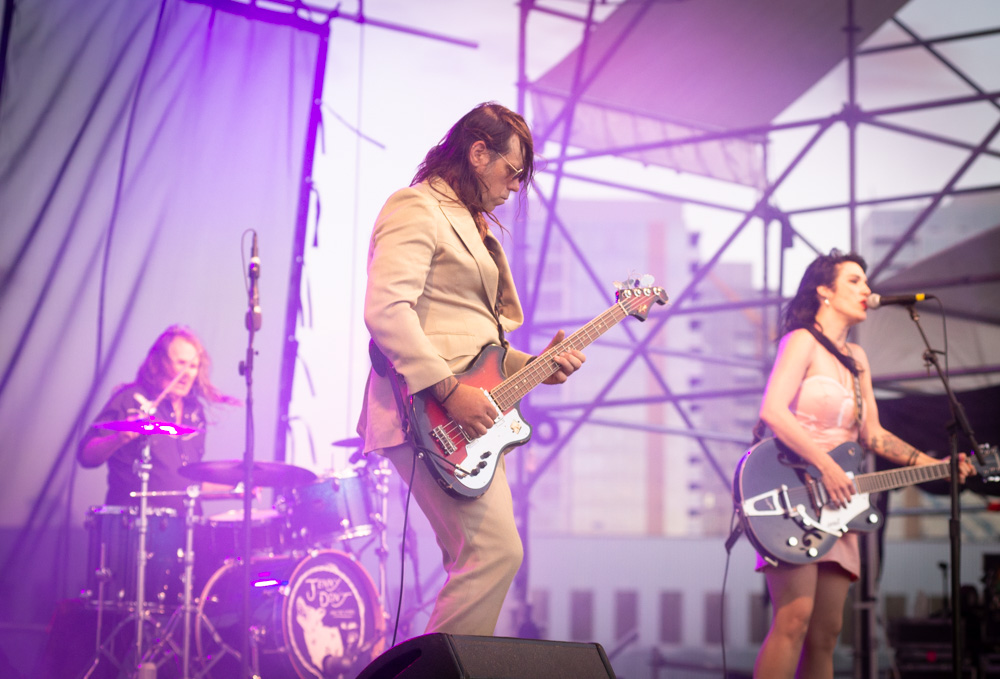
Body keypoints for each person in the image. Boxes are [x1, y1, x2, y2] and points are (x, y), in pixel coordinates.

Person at [357, 102, 585, 636]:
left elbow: (481, 344)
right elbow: (387, 310)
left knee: (487, 557)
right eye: (511, 173)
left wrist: (538, 365)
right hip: (427, 409)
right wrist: (449, 388)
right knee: (493, 554)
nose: (512, 188)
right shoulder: (415, 207)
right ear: (478, 152)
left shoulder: (473, 225)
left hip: (467, 420)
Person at [752, 250, 975, 678]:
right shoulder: (800, 340)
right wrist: (826, 465)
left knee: (827, 633)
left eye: (866, 281)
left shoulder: (857, 360)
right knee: (792, 622)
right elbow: (774, 412)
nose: (866, 290)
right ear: (824, 291)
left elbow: (872, 435)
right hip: (794, 491)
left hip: (841, 505)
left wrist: (935, 463)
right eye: (854, 280)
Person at [78, 324, 238, 513]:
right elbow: (86, 456)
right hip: (133, 529)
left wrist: (235, 490)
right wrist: (117, 438)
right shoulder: (130, 399)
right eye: (181, 363)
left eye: (193, 366)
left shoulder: (194, 412)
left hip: (185, 532)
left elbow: (187, 486)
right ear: (157, 363)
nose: (187, 373)